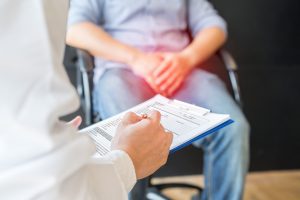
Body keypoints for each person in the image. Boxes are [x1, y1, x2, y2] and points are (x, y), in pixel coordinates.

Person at [67, 0, 250, 199]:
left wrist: (186, 59)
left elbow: (214, 26)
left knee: (233, 127)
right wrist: (135, 58)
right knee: (128, 133)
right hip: (122, 71)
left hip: (180, 71)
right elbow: (74, 28)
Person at [0, 0, 173, 199]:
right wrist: (127, 161)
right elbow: (51, 188)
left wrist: (185, 60)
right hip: (118, 72)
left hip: (178, 70)